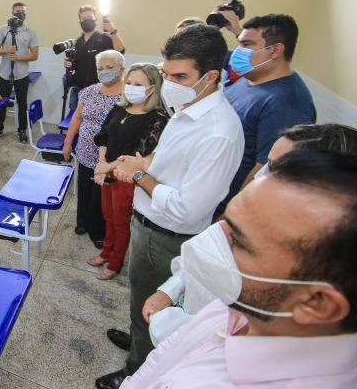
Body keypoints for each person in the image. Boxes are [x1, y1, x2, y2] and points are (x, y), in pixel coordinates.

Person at [83, 149, 357, 389]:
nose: (213, 241)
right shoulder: (244, 305)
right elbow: (173, 348)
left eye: (238, 240)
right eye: (225, 222)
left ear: (317, 303)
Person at [95, 25, 244, 389]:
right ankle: (137, 340)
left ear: (210, 77)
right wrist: (142, 162)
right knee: (141, 298)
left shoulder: (218, 133)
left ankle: (136, 376)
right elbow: (166, 160)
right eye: (167, 74)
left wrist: (139, 175)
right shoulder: (187, 108)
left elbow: (186, 208)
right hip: (148, 222)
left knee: (155, 307)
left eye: (180, 77)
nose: (170, 84)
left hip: (166, 235)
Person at [144, 122, 357, 345]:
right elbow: (201, 256)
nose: (260, 176)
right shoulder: (249, 215)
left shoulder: (285, 276)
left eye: (275, 169)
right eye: (267, 164)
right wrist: (171, 290)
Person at [218, 14, 316, 215]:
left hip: (226, 204)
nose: (238, 52)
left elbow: (268, 170)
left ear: (275, 50)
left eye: (246, 45)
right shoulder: (248, 77)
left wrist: (230, 214)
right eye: (239, 43)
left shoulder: (288, 104)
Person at [90, 63, 168, 280]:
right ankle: (106, 252)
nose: (132, 88)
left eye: (138, 85)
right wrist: (101, 163)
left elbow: (138, 152)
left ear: (152, 88)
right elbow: (104, 136)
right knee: (107, 216)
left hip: (126, 177)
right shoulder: (119, 108)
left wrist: (107, 167)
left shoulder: (157, 118)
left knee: (120, 222)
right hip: (107, 171)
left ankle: (115, 263)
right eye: (130, 83)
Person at [62, 50, 124, 249]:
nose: (104, 71)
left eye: (109, 67)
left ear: (121, 69)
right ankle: (83, 221)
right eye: (100, 68)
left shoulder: (127, 96)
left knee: (102, 196)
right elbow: (77, 117)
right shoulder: (89, 92)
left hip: (110, 158)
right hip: (86, 151)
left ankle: (99, 231)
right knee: (85, 189)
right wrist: (68, 142)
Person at [0, 2, 39, 143]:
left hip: (21, 75)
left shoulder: (31, 31)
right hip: (5, 74)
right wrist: (7, 50)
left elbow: (35, 55)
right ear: (12, 12)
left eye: (23, 11)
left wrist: (19, 57)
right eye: (17, 11)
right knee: (1, 102)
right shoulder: (3, 29)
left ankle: (22, 130)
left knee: (22, 104)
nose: (20, 14)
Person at [64, 5, 126, 111]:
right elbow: (78, 65)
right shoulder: (78, 42)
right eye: (84, 18)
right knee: (75, 118)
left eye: (90, 17)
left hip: (99, 91)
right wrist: (69, 64)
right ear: (80, 21)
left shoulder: (104, 38)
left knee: (94, 118)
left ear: (96, 20)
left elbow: (120, 51)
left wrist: (113, 31)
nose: (87, 20)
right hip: (78, 90)